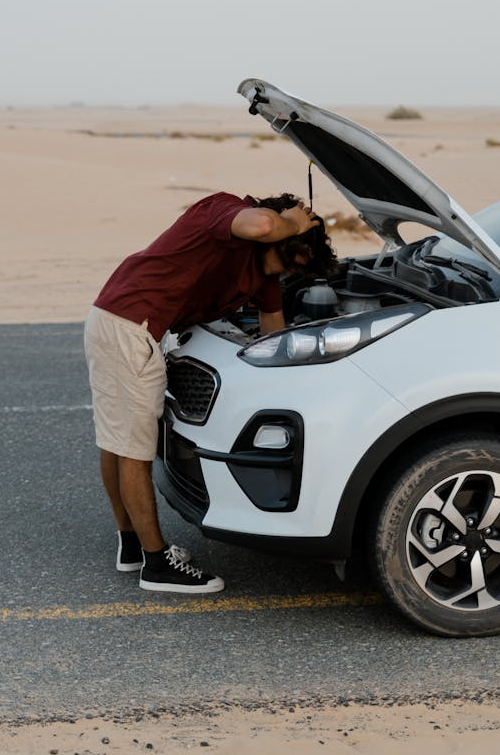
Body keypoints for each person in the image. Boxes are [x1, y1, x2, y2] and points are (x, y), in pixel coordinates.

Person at [84, 191, 336, 595]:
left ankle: (132, 547)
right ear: (280, 236)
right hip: (128, 325)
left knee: (118, 442)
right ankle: (156, 564)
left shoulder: (263, 273)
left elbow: (275, 331)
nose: (283, 273)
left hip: (129, 324)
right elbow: (264, 225)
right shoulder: (223, 209)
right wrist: (292, 220)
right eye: (287, 260)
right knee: (132, 450)